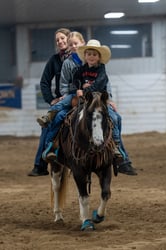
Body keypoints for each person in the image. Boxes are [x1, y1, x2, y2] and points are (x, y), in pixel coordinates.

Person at [42, 39, 137, 175]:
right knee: (60, 117)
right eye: (89, 54)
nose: (91, 57)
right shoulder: (81, 69)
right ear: (85, 56)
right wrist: (78, 88)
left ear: (99, 57)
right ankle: (51, 144)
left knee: (115, 118)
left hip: (98, 100)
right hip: (82, 100)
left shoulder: (101, 70)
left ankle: (116, 146)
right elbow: (74, 81)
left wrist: (85, 90)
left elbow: (99, 84)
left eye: (94, 54)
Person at [27, 27, 71, 177]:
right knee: (47, 126)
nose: (60, 42)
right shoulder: (54, 60)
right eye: (57, 40)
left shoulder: (80, 57)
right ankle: (40, 164)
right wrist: (51, 100)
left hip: (79, 97)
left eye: (62, 38)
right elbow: (44, 82)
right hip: (62, 102)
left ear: (69, 39)